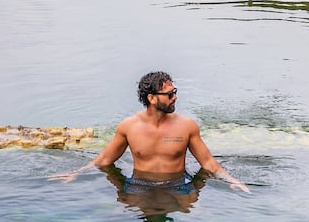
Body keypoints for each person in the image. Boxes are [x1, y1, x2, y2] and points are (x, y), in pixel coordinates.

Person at [52, 71, 249, 194]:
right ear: (152, 98)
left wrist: (232, 180)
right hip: (139, 187)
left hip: (179, 187)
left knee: (193, 215)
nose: (175, 97)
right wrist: (76, 173)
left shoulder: (187, 126)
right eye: (170, 94)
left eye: (175, 92)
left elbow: (208, 163)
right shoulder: (128, 127)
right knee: (126, 208)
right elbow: (104, 160)